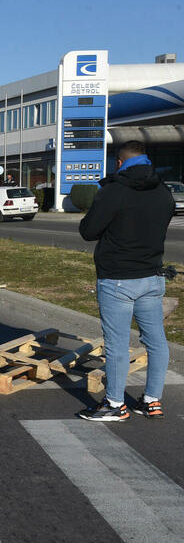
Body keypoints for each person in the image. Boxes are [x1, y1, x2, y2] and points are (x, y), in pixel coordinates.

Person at [77, 141, 174, 421]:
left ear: (119, 162)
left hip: (118, 278)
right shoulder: (163, 189)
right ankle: (152, 400)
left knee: (117, 344)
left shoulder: (115, 190)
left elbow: (88, 230)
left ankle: (115, 404)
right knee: (156, 341)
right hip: (152, 276)